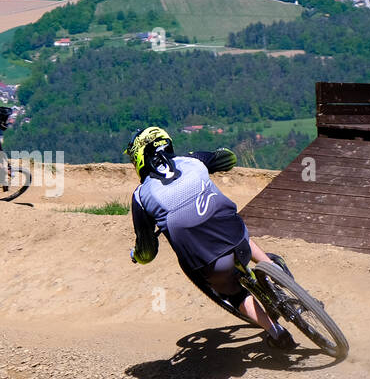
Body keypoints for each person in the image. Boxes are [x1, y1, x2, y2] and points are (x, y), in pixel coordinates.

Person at [125, 126, 297, 351]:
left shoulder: (141, 196)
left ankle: (277, 333)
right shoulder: (193, 161)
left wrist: (137, 255)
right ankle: (278, 272)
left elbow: (147, 252)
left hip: (211, 263)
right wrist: (214, 158)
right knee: (237, 230)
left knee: (234, 293)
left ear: (138, 157)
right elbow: (228, 158)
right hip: (237, 238)